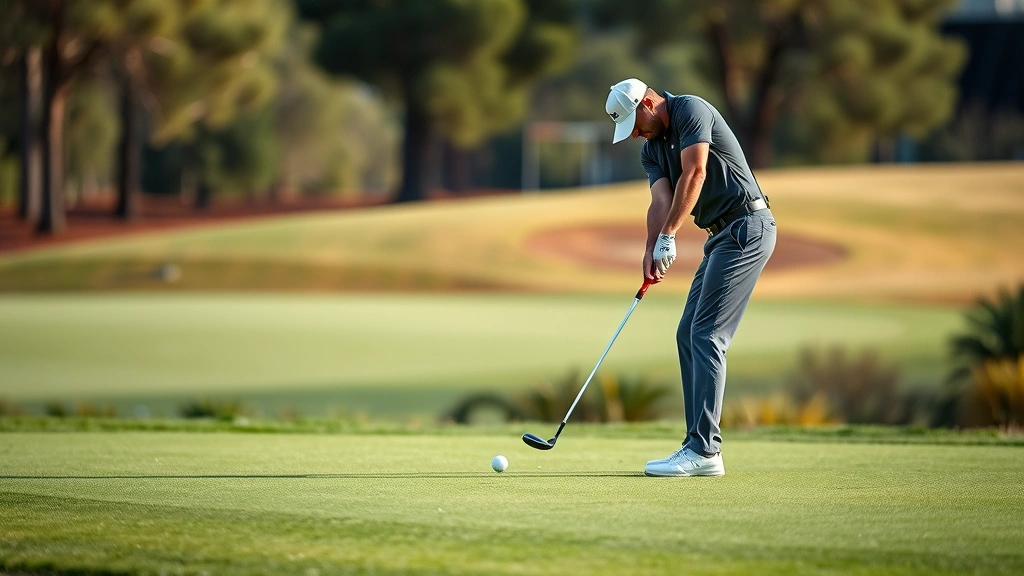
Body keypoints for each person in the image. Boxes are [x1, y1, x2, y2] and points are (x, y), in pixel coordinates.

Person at [605, 78, 776, 477]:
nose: (634, 134)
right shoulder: (651, 149)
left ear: (648, 102)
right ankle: (694, 444)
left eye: (635, 123)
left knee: (707, 334)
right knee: (687, 333)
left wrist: (670, 235)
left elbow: (695, 172)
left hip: (747, 226)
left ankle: (705, 451)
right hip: (721, 237)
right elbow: (661, 199)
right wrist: (651, 247)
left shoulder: (690, 110)